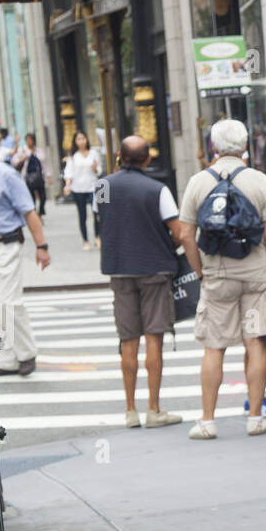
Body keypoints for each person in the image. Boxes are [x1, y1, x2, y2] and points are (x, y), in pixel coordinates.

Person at [179, 118, 266, 439]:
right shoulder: (261, 182)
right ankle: (255, 418)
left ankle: (208, 421)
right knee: (255, 342)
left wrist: (200, 270)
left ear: (213, 147)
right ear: (245, 147)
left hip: (217, 277)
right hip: (255, 277)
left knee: (214, 346)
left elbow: (185, 234)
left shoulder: (198, 182)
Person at [97, 135, 183, 429]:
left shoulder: (103, 186)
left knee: (128, 340)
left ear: (119, 157)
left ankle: (130, 410)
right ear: (147, 160)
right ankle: (154, 409)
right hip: (154, 268)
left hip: (119, 268)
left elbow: (104, 218)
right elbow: (178, 231)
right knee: (154, 338)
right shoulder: (158, 189)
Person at [0, 126, 50, 376]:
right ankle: (23, 354)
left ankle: (9, 359)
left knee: (5, 303)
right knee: (1, 304)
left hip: (6, 245)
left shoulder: (5, 174)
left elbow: (29, 212)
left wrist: (42, 246)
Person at [64, 131, 104, 250]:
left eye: (83, 138)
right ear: (75, 142)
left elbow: (100, 170)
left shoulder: (93, 153)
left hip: (93, 187)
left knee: (96, 212)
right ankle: (85, 240)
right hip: (78, 188)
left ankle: (98, 237)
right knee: (82, 215)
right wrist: (67, 185)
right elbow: (69, 172)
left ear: (87, 139)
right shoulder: (73, 156)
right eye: (78, 139)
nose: (81, 141)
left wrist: (95, 169)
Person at [11, 133, 48, 217]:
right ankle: (34, 215)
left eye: (30, 140)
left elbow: (44, 164)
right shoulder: (22, 150)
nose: (29, 142)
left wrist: (48, 176)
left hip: (39, 177)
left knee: (43, 197)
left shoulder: (39, 150)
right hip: (28, 177)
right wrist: (23, 158)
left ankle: (40, 212)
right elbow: (14, 161)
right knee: (32, 198)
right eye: (27, 140)